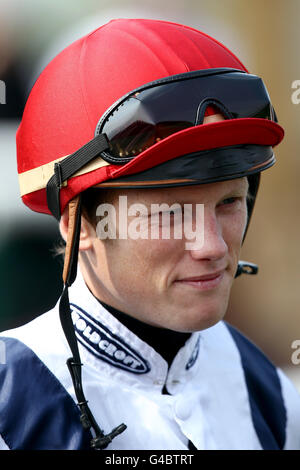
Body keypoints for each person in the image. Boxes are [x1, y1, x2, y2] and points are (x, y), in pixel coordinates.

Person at [0, 18, 299, 451]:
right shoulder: (12, 410)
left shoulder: (269, 392)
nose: (213, 246)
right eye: (172, 213)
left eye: (228, 202)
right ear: (79, 224)